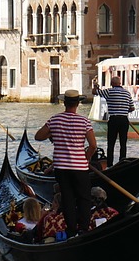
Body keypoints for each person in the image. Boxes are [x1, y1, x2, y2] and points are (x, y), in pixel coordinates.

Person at [35, 89, 97, 238]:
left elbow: (38, 136)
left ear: (64, 103)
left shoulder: (55, 120)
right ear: (77, 103)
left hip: (62, 168)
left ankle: (71, 231)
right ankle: (83, 229)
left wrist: (53, 132)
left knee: (67, 198)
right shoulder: (84, 121)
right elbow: (93, 145)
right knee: (84, 198)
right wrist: (86, 159)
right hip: (80, 167)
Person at [101, 75, 135, 167]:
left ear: (112, 84)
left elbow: (95, 92)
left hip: (114, 119)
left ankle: (109, 164)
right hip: (124, 120)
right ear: (120, 84)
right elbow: (132, 108)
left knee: (111, 143)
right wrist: (124, 110)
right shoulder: (127, 93)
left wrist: (95, 85)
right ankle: (122, 163)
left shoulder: (108, 91)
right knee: (123, 143)